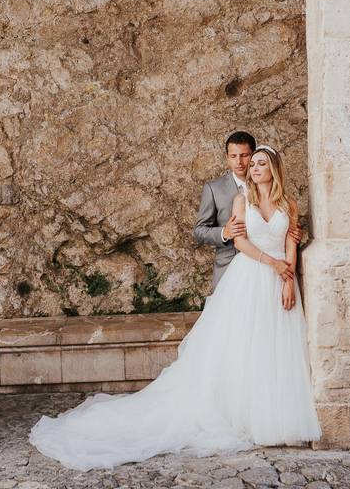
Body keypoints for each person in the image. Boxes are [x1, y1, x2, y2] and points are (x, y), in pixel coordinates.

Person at [28, 145, 321, 471]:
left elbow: (291, 241)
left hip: (280, 280)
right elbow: (240, 242)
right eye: (251, 164)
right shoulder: (243, 201)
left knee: (276, 348)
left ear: (274, 168)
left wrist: (286, 276)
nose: (253, 168)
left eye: (260, 163)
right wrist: (271, 264)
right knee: (243, 347)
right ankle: (246, 416)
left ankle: (276, 417)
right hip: (251, 276)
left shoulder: (288, 204)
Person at [194, 131, 303, 291]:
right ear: (227, 157)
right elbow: (199, 231)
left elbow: (285, 233)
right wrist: (225, 232)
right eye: (233, 156)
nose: (239, 162)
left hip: (275, 270)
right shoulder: (214, 189)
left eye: (245, 156)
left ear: (254, 154)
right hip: (230, 266)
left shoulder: (284, 200)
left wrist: (292, 232)